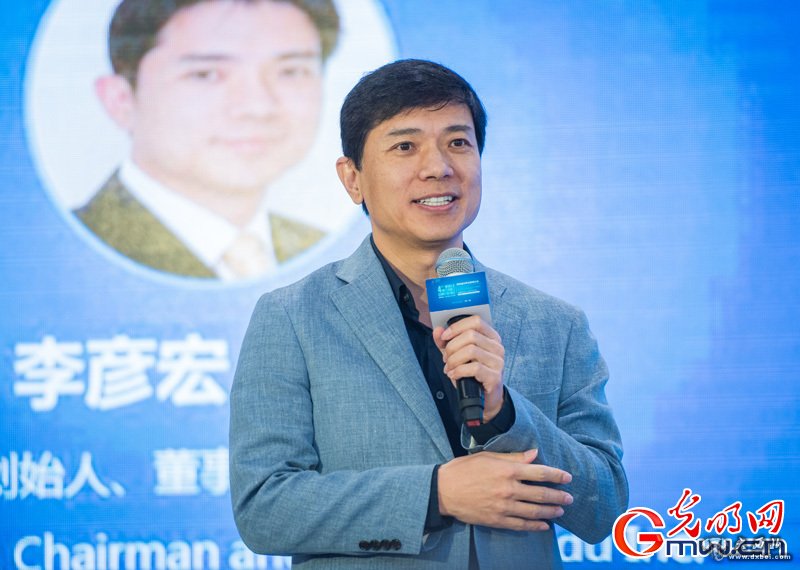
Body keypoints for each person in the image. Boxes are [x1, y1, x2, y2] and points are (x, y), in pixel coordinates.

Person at [229, 59, 628, 569]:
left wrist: (505, 414)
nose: (438, 166)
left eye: (458, 142)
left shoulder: (555, 323)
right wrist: (435, 494)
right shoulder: (294, 317)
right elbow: (264, 507)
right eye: (405, 146)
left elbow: (605, 506)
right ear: (352, 178)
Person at [75, 0, 339, 279]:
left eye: (291, 71)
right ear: (122, 101)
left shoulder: (328, 252)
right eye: (206, 74)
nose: (257, 107)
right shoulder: (74, 254)